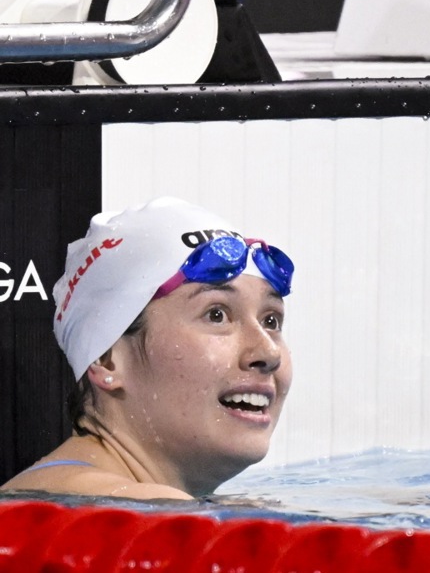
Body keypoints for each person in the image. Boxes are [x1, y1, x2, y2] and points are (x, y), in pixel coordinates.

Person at [1, 197, 294, 500]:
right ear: (108, 359)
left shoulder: (57, 495)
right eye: (216, 314)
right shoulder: (146, 511)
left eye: (271, 320)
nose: (268, 353)